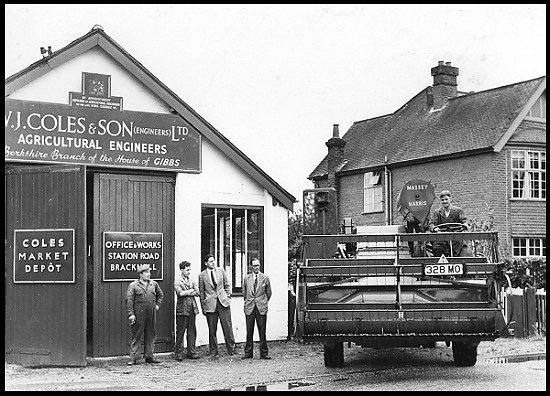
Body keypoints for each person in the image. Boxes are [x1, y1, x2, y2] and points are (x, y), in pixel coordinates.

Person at [198, 254, 236, 357]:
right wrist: (203, 307)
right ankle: (213, 351)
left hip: (223, 302)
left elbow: (227, 285)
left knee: (227, 326)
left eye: (213, 261)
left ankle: (231, 348)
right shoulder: (202, 275)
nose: (213, 263)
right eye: (210, 261)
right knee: (212, 329)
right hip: (210, 304)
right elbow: (202, 293)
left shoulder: (221, 271)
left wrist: (228, 297)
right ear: (206, 263)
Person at [126, 263, 164, 365]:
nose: (149, 274)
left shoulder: (154, 284)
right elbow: (129, 300)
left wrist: (157, 305)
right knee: (137, 335)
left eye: (149, 272)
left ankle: (149, 356)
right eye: (146, 272)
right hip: (139, 314)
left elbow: (160, 295)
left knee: (151, 334)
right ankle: (133, 358)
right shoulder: (133, 285)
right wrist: (131, 314)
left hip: (151, 314)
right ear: (141, 274)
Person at [242, 258, 272, 360]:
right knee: (249, 330)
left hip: (261, 307)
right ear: (251, 267)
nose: (257, 267)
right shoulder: (246, 278)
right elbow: (244, 293)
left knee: (262, 330)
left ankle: (264, 353)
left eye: (258, 265)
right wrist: (249, 302)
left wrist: (263, 301)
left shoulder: (265, 278)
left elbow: (269, 293)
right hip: (250, 307)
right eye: (254, 266)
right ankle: (248, 353)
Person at [428, 190, 472, 257]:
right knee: (437, 248)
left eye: (446, 199)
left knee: (464, 249)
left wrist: (465, 224)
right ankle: (440, 265)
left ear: (450, 199)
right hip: (442, 239)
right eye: (442, 200)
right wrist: (435, 228)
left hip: (456, 239)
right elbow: (431, 224)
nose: (444, 201)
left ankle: (463, 264)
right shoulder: (437, 213)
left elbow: (465, 220)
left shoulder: (458, 211)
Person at [174, 260, 200, 361]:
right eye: (187, 270)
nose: (189, 272)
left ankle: (191, 352)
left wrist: (187, 292)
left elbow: (198, 292)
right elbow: (180, 293)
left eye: (190, 270)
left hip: (192, 308)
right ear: (181, 270)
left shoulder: (192, 280)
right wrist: (191, 291)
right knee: (180, 331)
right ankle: (178, 353)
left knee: (192, 331)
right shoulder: (177, 281)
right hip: (182, 309)